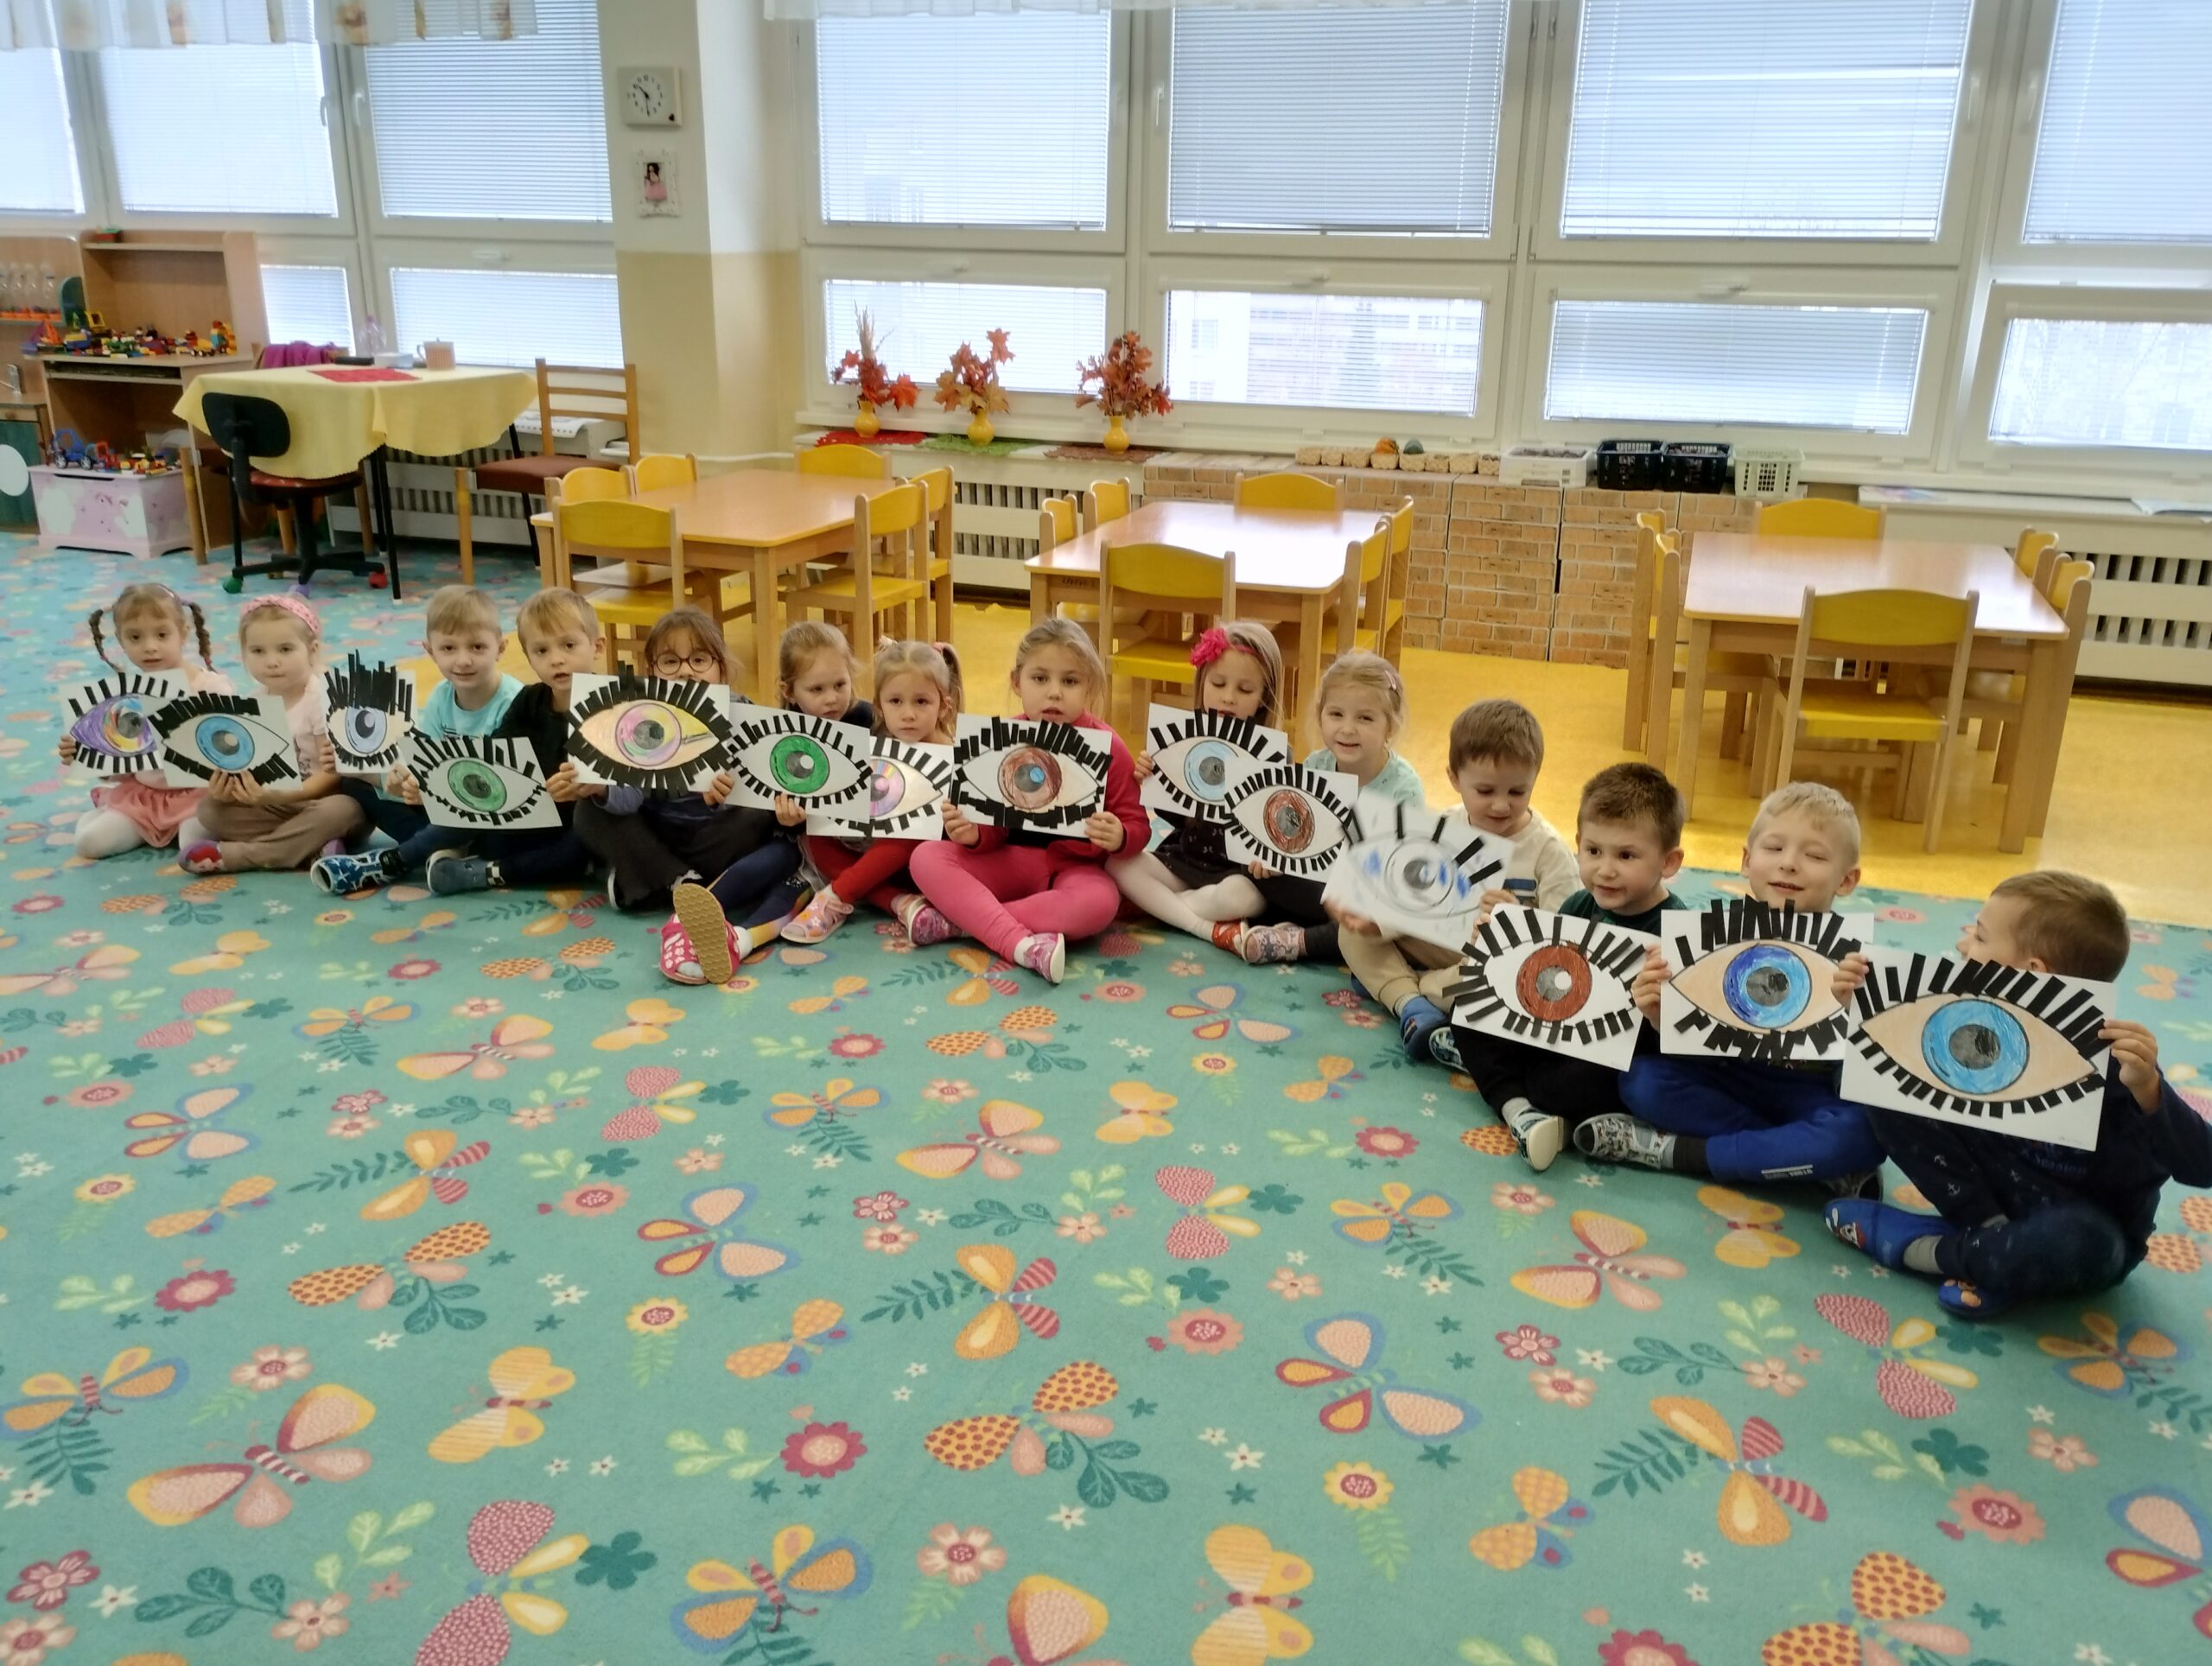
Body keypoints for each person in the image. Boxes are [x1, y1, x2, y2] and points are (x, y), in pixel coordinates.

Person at [1826, 870, 2210, 1319]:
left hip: (2079, 1225)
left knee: (2083, 1243)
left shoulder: (2122, 1069)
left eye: (1979, 936)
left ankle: (1928, 1250)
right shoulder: (1967, 1019)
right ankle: (1989, 1241)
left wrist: (2150, 1091)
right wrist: (1862, 1010)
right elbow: (1877, 1073)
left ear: (2030, 973)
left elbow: (2202, 1166)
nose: (1962, 944)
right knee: (1877, 1079)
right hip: (1984, 1199)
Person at [1578, 781, 1885, 1194]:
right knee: (1641, 1081)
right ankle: (1796, 1159)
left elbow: (1869, 1071)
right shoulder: (1709, 935)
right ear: (1746, 860)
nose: (1788, 864)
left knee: (1865, 1132)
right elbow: (1687, 1041)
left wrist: (1855, 1012)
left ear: (1846, 880)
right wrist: (1660, 1015)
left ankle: (1685, 1154)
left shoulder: (1855, 961)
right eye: (1773, 848)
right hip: (1725, 1077)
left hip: (1806, 1091)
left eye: (1813, 856)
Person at [1446, 762, 1685, 1170]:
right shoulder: (1579, 904)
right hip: (1556, 1031)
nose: (1605, 869)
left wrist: (1657, 1008)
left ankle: (1515, 1092)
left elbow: (1677, 1040)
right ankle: (1518, 1110)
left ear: (1669, 862)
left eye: (1626, 855)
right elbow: (1544, 979)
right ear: (1578, 845)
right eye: (1593, 851)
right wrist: (1506, 943)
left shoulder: (1675, 931)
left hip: (1608, 1057)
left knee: (1573, 1085)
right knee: (1467, 1008)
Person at [1333, 696, 1578, 1060]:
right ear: (1454, 778)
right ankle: (1413, 1002)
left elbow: (1569, 935)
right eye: (1485, 791)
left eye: (1517, 792)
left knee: (1503, 984)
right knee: (1352, 933)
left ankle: (1401, 989)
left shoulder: (1549, 850)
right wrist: (1376, 919)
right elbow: (1410, 900)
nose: (1501, 805)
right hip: (1441, 943)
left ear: (1534, 780)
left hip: (1498, 962)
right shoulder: (1444, 826)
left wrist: (1519, 921)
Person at [908, 619, 1145, 984]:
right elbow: (991, 826)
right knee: (926, 857)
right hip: (1007, 861)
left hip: (1070, 872)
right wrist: (974, 834)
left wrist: (1120, 836)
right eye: (1040, 678)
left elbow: (1138, 823)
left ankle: (963, 921)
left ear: (1090, 686)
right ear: (1017, 682)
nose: (1054, 693)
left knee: (1102, 902)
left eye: (1070, 681)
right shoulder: (1003, 737)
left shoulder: (1109, 745)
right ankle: (1015, 938)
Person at [664, 620, 875, 982]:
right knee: (770, 861)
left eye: (840, 685)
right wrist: (787, 819)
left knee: (794, 890)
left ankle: (740, 941)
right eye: (817, 689)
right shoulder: (779, 732)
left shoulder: (866, 719)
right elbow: (770, 809)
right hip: (801, 844)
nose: (831, 698)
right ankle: (681, 925)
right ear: (788, 690)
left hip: (840, 853)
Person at [572, 607, 785, 925]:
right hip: (658, 836)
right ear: (652, 672)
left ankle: (652, 880)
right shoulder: (642, 719)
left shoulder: (741, 713)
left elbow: (760, 788)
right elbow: (630, 798)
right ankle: (681, 880)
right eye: (671, 662)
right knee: (588, 811)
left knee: (758, 817)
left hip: (715, 838)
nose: (686, 672)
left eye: (699, 660)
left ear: (721, 670)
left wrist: (722, 799)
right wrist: (603, 790)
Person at [312, 585, 519, 895]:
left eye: (477, 647)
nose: (463, 660)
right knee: (355, 782)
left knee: (469, 818)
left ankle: (404, 857)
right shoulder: (439, 697)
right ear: (430, 651)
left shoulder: (514, 700)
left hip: (492, 816)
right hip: (447, 807)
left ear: (500, 648)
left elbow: (501, 789)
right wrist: (403, 779)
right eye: (448, 648)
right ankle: (444, 849)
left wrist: (434, 792)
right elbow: (427, 761)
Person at [1239, 650, 1422, 966]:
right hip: (1319, 886)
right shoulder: (1316, 764)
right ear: (1321, 716)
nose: (1347, 729)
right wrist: (1277, 858)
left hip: (1364, 897)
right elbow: (1297, 835)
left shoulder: (1404, 787)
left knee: (1383, 921)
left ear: (1390, 727)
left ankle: (1300, 942)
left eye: (1365, 718)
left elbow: (1402, 872)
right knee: (1251, 866)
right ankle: (1299, 927)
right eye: (1336, 714)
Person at [416, 588, 601, 896]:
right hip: (533, 819)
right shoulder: (529, 699)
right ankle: (401, 859)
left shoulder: (611, 704)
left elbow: (632, 785)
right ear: (528, 657)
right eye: (541, 651)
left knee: (584, 840)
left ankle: (488, 873)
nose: (556, 660)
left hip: (582, 825)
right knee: (483, 829)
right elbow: (496, 757)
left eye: (568, 646)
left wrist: (592, 787)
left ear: (597, 647)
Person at [1111, 621, 1283, 948]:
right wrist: (1152, 779)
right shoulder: (1183, 739)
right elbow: (1175, 818)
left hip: (1235, 876)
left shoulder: (1273, 754)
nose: (1228, 698)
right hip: (1183, 862)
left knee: (1247, 898)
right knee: (1117, 863)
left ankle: (1158, 907)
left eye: (1245, 690)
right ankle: (1202, 926)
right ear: (1202, 683)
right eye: (1218, 684)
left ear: (1264, 697)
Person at [785, 637, 964, 944]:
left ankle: (835, 896)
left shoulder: (954, 756)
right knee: (815, 834)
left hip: (925, 866)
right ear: (879, 706)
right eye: (896, 702)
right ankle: (900, 904)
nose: (908, 714)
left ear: (944, 706)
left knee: (911, 829)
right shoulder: (877, 746)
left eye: (921, 702)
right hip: (876, 864)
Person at [179, 595, 365, 873]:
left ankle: (248, 855)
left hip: (324, 803)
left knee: (345, 809)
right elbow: (251, 768)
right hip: (279, 807)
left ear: (312, 650)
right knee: (210, 809)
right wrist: (228, 790)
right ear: (244, 655)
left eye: (285, 649)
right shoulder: (253, 703)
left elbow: (331, 776)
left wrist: (277, 796)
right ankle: (309, 848)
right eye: (258, 651)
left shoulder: (322, 698)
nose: (272, 662)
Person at [60, 582, 230, 859]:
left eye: (162, 634)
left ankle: (185, 831)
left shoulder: (211, 687)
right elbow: (124, 764)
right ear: (121, 640)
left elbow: (233, 750)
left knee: (193, 844)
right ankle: (104, 812)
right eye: (135, 637)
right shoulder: (123, 698)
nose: (150, 647)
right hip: (145, 797)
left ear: (183, 633)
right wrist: (87, 755)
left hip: (202, 795)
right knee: (89, 844)